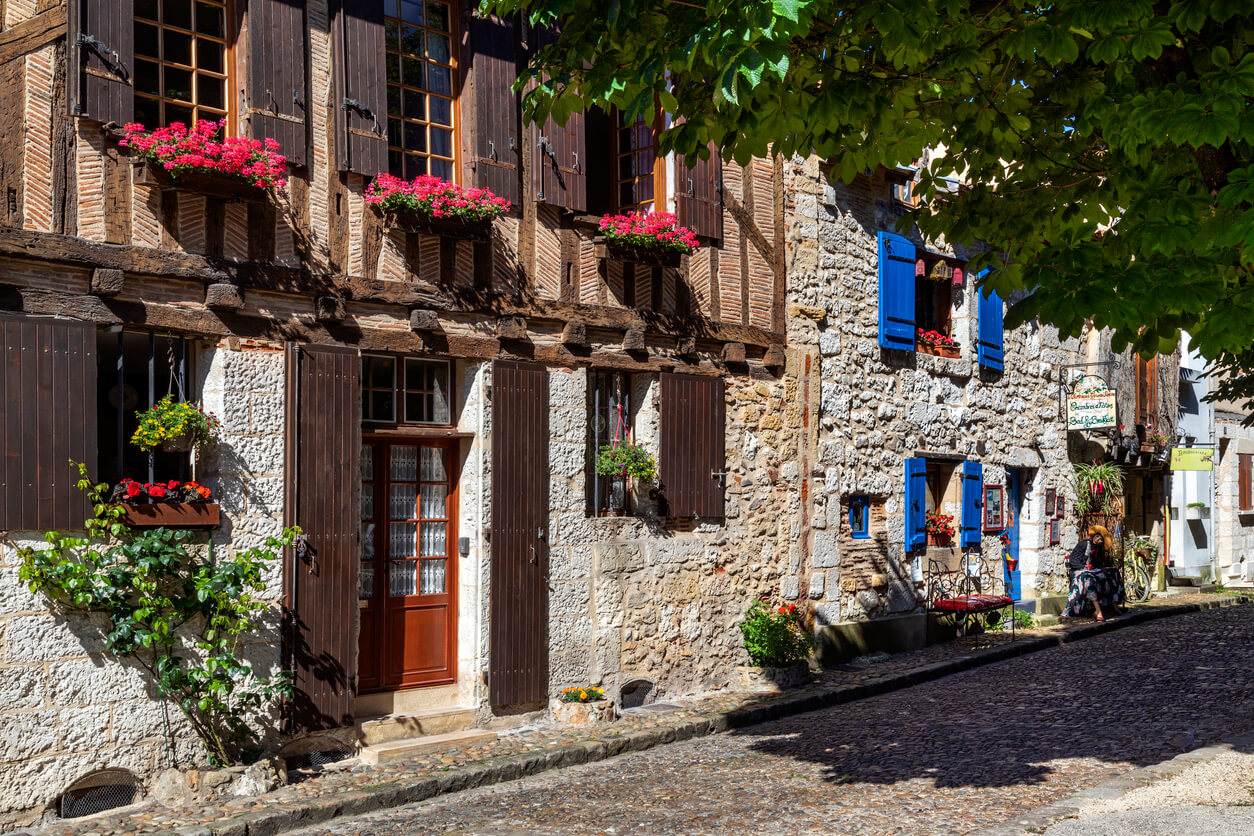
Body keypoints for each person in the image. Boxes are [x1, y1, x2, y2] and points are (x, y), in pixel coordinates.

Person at [1062, 525, 1126, 621]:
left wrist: (1094, 567)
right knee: (1089, 579)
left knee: (1112, 573)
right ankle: (1098, 610)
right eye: (1097, 536)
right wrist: (1084, 567)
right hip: (1078, 571)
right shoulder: (1084, 544)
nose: (1098, 539)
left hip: (1091, 571)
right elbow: (1073, 560)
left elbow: (1098, 563)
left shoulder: (1099, 549)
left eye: (1100, 539)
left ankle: (1114, 604)